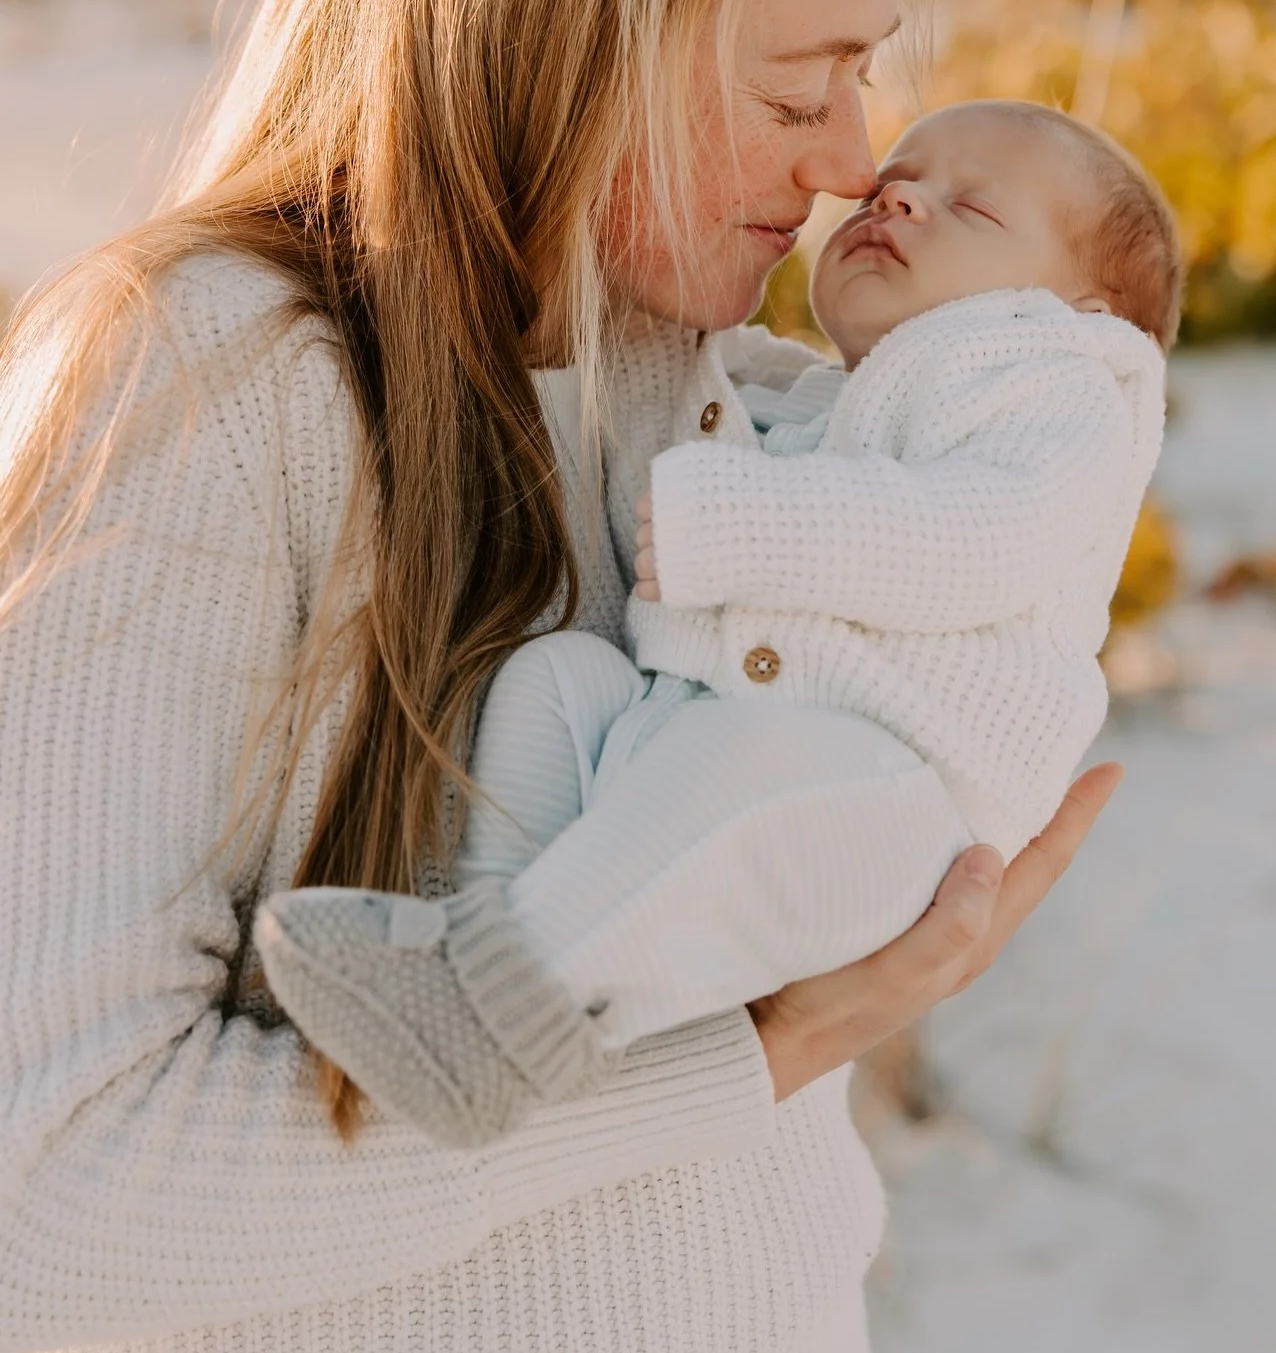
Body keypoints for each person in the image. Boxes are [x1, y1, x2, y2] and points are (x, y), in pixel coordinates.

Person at [0, 0, 1121, 1353]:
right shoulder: (201, 388)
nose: (851, 159)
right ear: (560, 38)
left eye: (864, 76)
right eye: (791, 86)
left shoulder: (714, 380)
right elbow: (40, 1194)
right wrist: (768, 1046)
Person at [258, 99, 1178, 1144]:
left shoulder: (1060, 392)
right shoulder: (835, 393)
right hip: (730, 737)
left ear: (1085, 309)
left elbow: (985, 539)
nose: (897, 194)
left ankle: (503, 1006)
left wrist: (744, 525)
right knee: (559, 681)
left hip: (895, 793)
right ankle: (500, 940)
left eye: (967, 206)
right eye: (890, 185)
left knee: (739, 781)